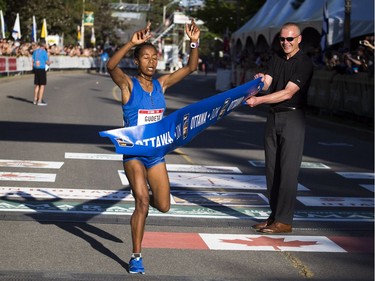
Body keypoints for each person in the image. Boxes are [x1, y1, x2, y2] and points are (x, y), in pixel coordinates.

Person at [106, 19, 200, 274]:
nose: (151, 61)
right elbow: (111, 65)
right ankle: (136, 256)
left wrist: (193, 41)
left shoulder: (161, 84)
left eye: (154, 57)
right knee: (143, 203)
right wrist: (131, 43)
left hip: (155, 155)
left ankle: (145, 191)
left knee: (164, 205)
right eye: (145, 57)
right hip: (134, 153)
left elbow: (192, 66)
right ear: (136, 61)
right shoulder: (128, 85)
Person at [245, 22, 313, 234]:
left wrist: (259, 101)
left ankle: (285, 220)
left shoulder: (304, 63)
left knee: (288, 171)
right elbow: (268, 83)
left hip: (292, 116)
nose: (285, 43)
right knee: (272, 170)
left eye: (290, 39)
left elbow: (288, 93)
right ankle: (274, 216)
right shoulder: (276, 59)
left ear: (298, 39)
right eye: (282, 39)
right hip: (274, 116)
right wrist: (260, 82)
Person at [32, 41, 50, 106]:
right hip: (42, 69)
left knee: (37, 85)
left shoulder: (35, 51)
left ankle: (35, 99)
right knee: (42, 85)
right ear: (44, 45)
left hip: (36, 68)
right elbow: (47, 62)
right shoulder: (44, 52)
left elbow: (33, 60)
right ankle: (39, 100)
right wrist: (50, 63)